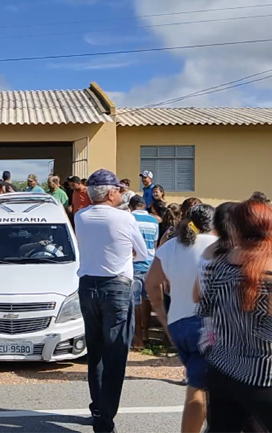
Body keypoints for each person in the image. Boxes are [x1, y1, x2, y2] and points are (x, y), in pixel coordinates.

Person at [197, 199, 272, 432]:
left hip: (222, 372)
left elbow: (204, 313)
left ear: (234, 229)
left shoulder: (214, 266)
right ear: (271, 229)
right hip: (265, 377)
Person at [74, 169, 149, 433]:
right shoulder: (124, 218)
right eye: (116, 189)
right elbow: (142, 253)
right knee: (116, 353)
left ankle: (98, 407)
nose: (120, 193)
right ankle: (105, 418)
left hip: (88, 285)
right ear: (109, 193)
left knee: (95, 351)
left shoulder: (80, 216)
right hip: (116, 286)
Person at [145, 205, 218, 433]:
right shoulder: (218, 247)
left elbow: (151, 282)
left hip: (178, 323)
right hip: (208, 324)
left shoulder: (170, 247)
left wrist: (164, 317)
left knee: (203, 384)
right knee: (199, 388)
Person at [127, 196, 159, 351]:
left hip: (135, 264)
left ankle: (138, 338)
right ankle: (146, 334)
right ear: (144, 205)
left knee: (136, 301)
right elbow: (154, 243)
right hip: (151, 264)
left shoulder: (129, 218)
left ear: (131, 206)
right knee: (147, 300)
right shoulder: (154, 221)